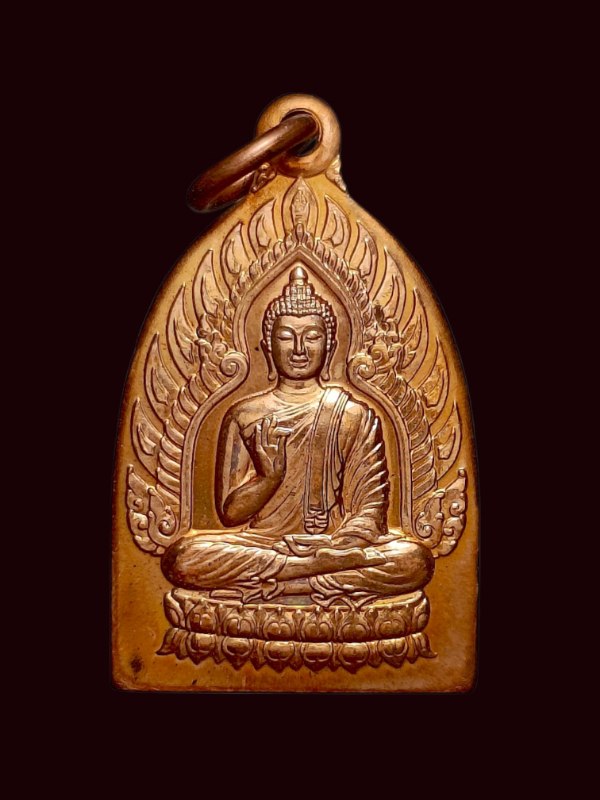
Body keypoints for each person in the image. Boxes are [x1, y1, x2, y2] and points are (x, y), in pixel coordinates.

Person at [161, 266, 434, 606]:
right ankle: (312, 575)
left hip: (336, 546)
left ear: (330, 345)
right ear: (267, 346)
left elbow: (370, 512)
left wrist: (338, 544)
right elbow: (230, 514)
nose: (300, 349)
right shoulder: (244, 415)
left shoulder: (353, 414)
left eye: (312, 336)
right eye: (287, 336)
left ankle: (287, 581)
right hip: (265, 545)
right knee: (184, 556)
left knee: (414, 560)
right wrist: (269, 478)